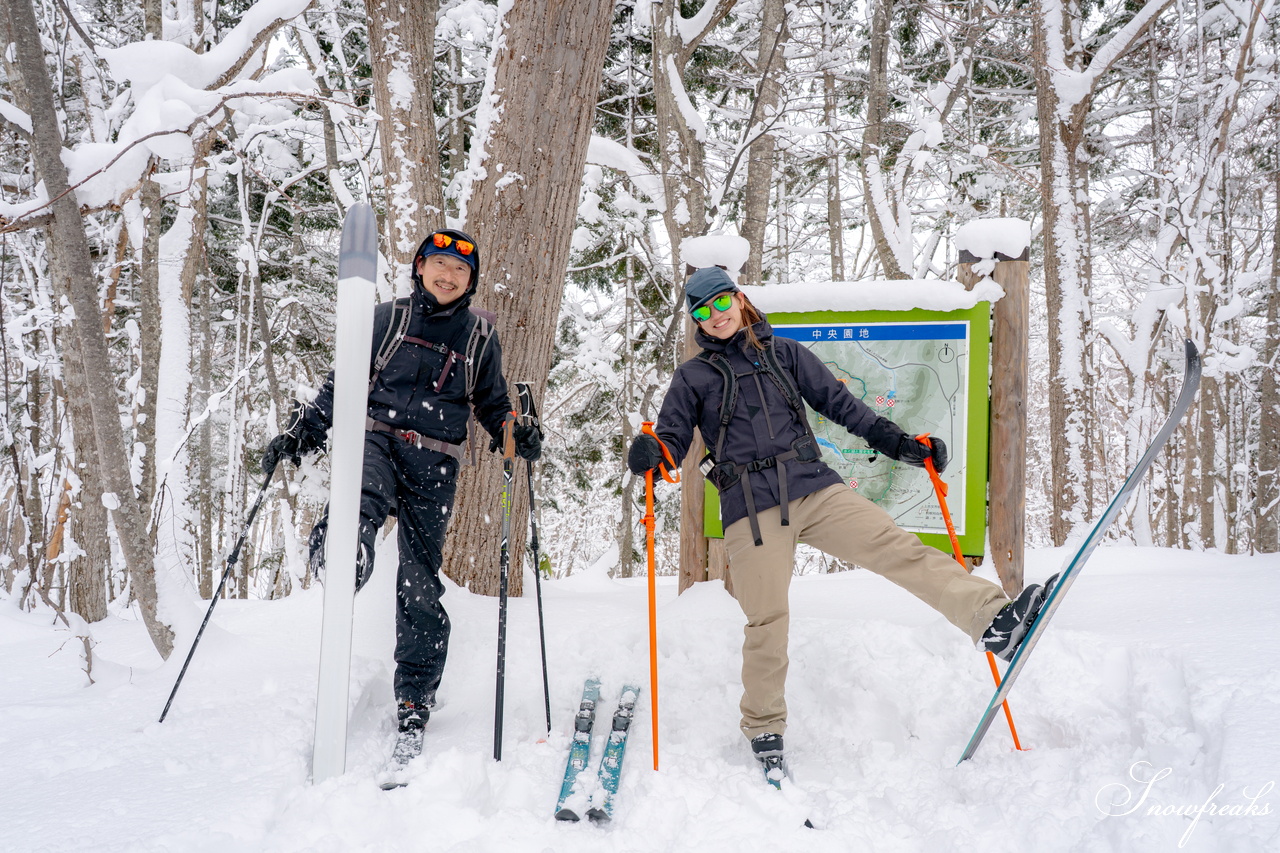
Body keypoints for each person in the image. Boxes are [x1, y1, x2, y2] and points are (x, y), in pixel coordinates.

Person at [627, 266, 1051, 778]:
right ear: (696, 321)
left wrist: (900, 444)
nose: (714, 317)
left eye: (720, 303)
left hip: (813, 486)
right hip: (751, 509)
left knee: (898, 547)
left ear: (738, 300)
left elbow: (844, 407)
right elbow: (671, 440)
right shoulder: (693, 377)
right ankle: (764, 726)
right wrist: (654, 452)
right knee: (767, 619)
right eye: (702, 312)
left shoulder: (785, 354)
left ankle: (994, 622)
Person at [262, 229, 542, 738]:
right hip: (376, 438)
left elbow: (493, 403)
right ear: (420, 268)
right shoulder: (387, 318)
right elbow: (343, 381)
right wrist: (305, 430)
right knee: (362, 494)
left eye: (460, 269)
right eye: (439, 264)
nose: (448, 275)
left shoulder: (479, 338)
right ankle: (342, 551)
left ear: (471, 281)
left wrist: (514, 434)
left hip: (435, 463)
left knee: (420, 580)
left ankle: (415, 692)